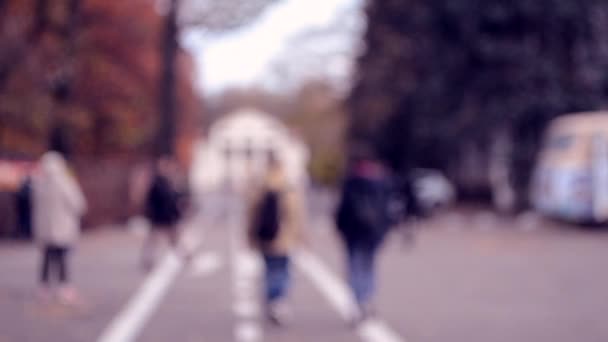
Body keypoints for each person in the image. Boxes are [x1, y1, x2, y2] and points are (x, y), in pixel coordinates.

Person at [335, 151, 399, 324]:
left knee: (354, 268)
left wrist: (341, 230)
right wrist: (383, 232)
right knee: (369, 267)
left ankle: (357, 302)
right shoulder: (382, 183)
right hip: (372, 235)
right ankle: (367, 299)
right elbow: (388, 213)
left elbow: (342, 211)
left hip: (353, 234)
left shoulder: (351, 182)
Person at [247, 156, 304, 326]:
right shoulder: (289, 188)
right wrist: (300, 235)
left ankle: (272, 300)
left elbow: (252, 215)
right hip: (284, 239)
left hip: (265, 238)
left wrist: (250, 236)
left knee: (269, 270)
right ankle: (279, 300)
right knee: (283, 270)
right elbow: (296, 214)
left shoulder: (260, 188)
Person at [32, 141, 87, 305]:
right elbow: (78, 204)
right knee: (62, 258)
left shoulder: (39, 184)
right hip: (63, 227)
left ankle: (44, 288)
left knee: (47, 259)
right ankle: (64, 288)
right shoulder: (65, 182)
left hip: (45, 229)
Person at [141, 156, 185, 270]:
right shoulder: (157, 183)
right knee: (154, 240)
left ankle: (184, 257)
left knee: (172, 239)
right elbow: (154, 200)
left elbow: (173, 199)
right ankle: (148, 261)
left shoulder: (167, 182)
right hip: (159, 217)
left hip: (166, 217)